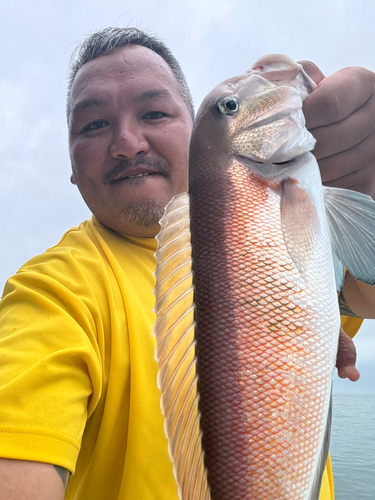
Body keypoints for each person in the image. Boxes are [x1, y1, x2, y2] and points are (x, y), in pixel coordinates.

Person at [0, 26, 374, 500]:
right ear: (72, 171)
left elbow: (367, 291)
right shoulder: (51, 295)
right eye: (94, 124)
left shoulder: (288, 228)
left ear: (195, 134)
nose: (128, 143)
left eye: (154, 113)